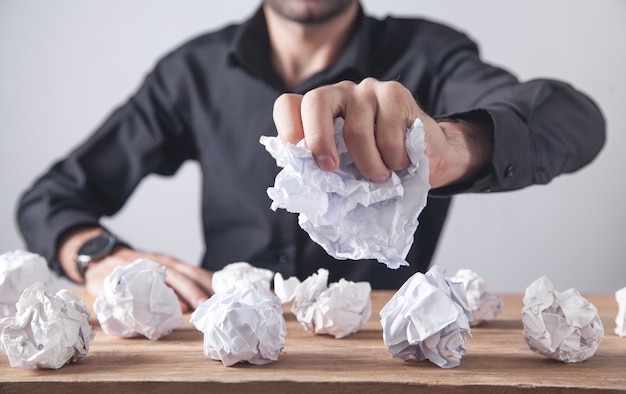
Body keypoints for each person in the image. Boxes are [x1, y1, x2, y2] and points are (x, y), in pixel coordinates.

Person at [17, 0, 605, 312]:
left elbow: (573, 119)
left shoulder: (430, 53)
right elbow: (51, 197)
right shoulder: (190, 72)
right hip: (222, 357)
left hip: (389, 359)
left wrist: (452, 146)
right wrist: (97, 254)